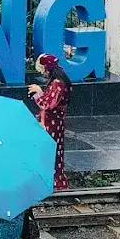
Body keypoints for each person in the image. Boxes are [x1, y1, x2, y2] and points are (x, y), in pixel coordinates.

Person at [29, 53, 72, 191]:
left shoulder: (57, 84)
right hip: (54, 122)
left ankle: (52, 182)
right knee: (53, 152)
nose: (44, 74)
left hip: (52, 124)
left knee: (49, 153)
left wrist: (38, 92)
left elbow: (48, 104)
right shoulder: (60, 82)